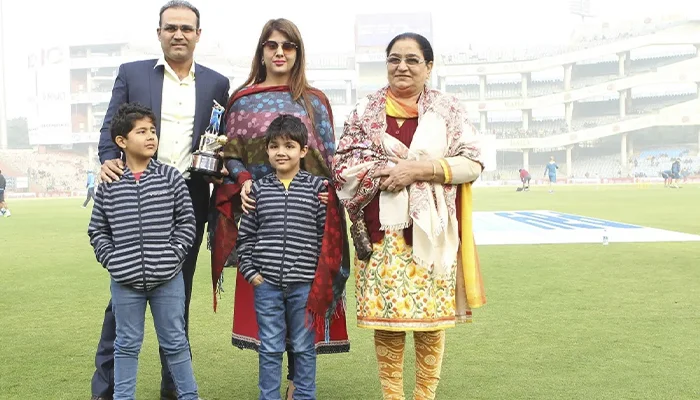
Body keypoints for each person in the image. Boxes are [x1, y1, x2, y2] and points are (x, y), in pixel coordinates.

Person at [332, 32, 486, 400]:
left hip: (431, 236)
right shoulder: (365, 112)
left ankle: (424, 396)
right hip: (380, 234)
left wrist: (418, 170)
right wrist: (385, 169)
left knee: (431, 323)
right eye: (394, 59)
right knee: (388, 321)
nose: (402, 66)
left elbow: (472, 163)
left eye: (412, 59)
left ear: (428, 67)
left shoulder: (448, 111)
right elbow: (342, 167)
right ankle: (392, 396)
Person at [91, 2, 230, 399]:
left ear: (198, 35)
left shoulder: (218, 82)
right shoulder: (132, 73)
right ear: (159, 33)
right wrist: (107, 163)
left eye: (187, 28)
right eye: (171, 27)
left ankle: (174, 391)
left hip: (187, 194)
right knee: (121, 300)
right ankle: (108, 391)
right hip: (134, 189)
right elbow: (109, 130)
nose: (179, 34)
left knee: (178, 297)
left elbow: (219, 139)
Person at [210, 18, 349, 399]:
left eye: (288, 46)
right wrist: (243, 185)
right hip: (259, 211)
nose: (279, 52)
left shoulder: (314, 99)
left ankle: (296, 385)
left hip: (308, 213)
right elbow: (230, 152)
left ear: (298, 53)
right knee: (270, 309)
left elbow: (328, 155)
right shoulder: (241, 99)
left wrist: (327, 195)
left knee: (304, 301)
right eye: (272, 45)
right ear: (262, 51)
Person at [88, 103, 200, 400]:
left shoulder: (171, 177)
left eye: (153, 130)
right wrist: (114, 261)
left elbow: (187, 222)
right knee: (126, 345)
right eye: (142, 131)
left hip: (168, 280)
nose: (151, 136)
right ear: (121, 141)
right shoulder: (110, 183)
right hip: (125, 283)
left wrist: (173, 255)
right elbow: (97, 230)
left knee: (175, 342)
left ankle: (190, 396)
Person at [237, 114, 340, 400]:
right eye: (275, 146)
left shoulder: (318, 190)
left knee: (304, 347)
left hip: (304, 286)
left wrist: (318, 277)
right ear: (267, 150)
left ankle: (304, 396)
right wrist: (252, 273)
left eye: (289, 145)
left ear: (303, 151)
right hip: (266, 285)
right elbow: (245, 236)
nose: (281, 152)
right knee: (269, 347)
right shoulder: (257, 190)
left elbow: (326, 237)